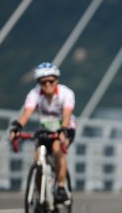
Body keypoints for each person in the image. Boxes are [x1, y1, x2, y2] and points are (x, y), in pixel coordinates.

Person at [9, 62, 76, 202]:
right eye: (43, 82)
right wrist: (17, 127)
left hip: (65, 127)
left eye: (51, 81)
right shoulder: (34, 94)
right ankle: (42, 198)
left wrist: (63, 130)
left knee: (57, 149)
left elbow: (67, 113)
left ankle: (61, 187)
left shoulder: (66, 93)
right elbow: (27, 112)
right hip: (45, 130)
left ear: (57, 80)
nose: (47, 85)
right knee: (38, 160)